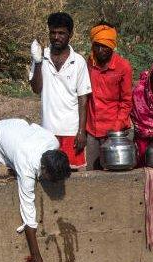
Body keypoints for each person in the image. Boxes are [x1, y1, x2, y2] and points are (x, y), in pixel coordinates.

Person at [0, 118, 71, 262]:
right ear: (44, 169)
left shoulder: (53, 143)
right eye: (52, 179)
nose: (54, 183)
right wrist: (35, 254)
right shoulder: (27, 168)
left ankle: (12, 160)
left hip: (19, 133)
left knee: (17, 166)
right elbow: (28, 214)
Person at [30, 12, 92, 170]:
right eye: (53, 32)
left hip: (71, 131)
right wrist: (37, 62)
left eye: (61, 33)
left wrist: (81, 131)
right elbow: (36, 89)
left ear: (70, 34)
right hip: (47, 130)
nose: (56, 37)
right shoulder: (40, 56)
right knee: (49, 172)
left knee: (73, 173)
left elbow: (83, 99)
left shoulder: (78, 61)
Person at [85, 22, 133, 170]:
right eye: (97, 45)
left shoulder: (123, 66)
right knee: (91, 173)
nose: (100, 50)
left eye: (104, 46)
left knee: (116, 174)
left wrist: (115, 129)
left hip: (116, 130)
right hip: (92, 130)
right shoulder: (88, 64)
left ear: (112, 46)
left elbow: (126, 101)